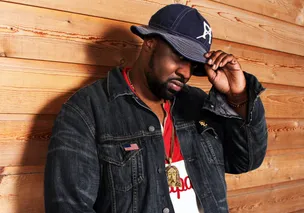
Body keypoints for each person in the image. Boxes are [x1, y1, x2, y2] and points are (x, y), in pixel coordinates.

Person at [44, 4, 268, 213]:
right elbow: (68, 206)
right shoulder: (87, 110)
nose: (186, 73)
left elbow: (245, 161)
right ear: (150, 42)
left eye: (193, 64)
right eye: (180, 57)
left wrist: (237, 96)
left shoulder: (199, 104)